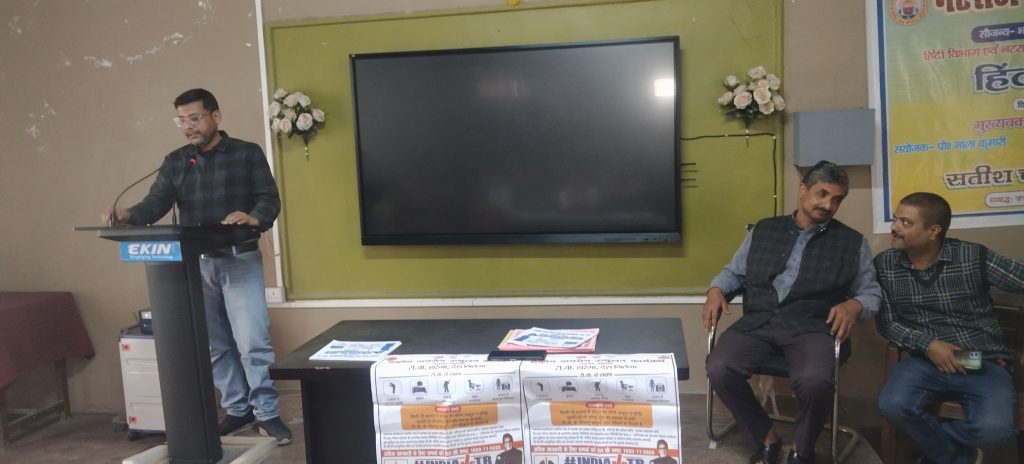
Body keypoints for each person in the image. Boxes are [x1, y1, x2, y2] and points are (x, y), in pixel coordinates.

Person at [102, 88, 291, 445]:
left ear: (215, 116)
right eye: (181, 121)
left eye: (194, 118)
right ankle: (237, 407)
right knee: (215, 345)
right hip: (196, 265)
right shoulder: (177, 161)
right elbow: (155, 202)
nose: (188, 127)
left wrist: (253, 216)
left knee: (253, 343)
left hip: (239, 259)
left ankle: (267, 413)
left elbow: (269, 198)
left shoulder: (247, 153)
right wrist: (129, 215)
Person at [703, 161, 881, 464]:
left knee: (815, 381)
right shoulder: (764, 229)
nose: (828, 205)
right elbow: (734, 273)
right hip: (758, 322)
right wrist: (716, 290)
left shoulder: (852, 242)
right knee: (719, 368)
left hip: (812, 325)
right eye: (822, 194)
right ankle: (766, 437)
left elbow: (871, 293)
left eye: (837, 199)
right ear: (803, 190)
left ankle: (802, 449)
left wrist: (855, 305)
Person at [876, 192, 1023, 464]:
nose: (894, 227)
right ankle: (956, 458)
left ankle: (939, 450)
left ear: (933, 231)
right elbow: (887, 322)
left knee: (993, 430)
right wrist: (929, 345)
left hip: (979, 358)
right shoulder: (885, 264)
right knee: (893, 405)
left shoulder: (971, 256)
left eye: (906, 222)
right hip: (923, 359)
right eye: (895, 219)